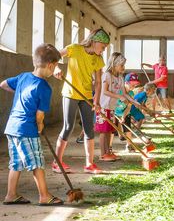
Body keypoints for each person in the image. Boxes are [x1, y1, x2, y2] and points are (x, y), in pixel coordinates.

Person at [0, 43, 64, 206]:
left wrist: (21, 93)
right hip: (26, 129)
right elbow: (39, 116)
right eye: (55, 66)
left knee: (16, 162)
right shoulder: (44, 87)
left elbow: (3, 84)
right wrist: (40, 126)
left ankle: (11, 195)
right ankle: (44, 196)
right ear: (51, 65)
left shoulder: (23, 77)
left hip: (12, 127)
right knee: (37, 162)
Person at [53, 28, 110, 174]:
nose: (103, 51)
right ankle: (57, 162)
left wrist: (96, 102)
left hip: (86, 96)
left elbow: (97, 83)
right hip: (70, 93)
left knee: (89, 128)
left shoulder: (98, 59)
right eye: (103, 47)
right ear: (95, 42)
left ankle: (89, 164)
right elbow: (55, 56)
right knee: (68, 127)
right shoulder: (74, 49)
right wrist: (56, 68)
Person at [95, 52, 134, 161]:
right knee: (103, 131)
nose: (123, 67)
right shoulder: (107, 75)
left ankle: (108, 152)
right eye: (121, 65)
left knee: (109, 130)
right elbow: (105, 91)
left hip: (111, 107)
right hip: (103, 107)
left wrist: (134, 102)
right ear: (114, 64)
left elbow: (125, 94)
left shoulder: (120, 78)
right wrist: (119, 96)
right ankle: (103, 154)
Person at [114, 73, 141, 152]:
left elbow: (128, 106)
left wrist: (123, 116)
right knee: (113, 131)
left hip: (125, 113)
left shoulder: (131, 93)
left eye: (135, 85)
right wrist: (115, 114)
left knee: (128, 129)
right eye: (132, 85)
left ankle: (129, 146)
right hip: (114, 113)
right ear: (126, 83)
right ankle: (109, 147)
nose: (133, 87)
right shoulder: (118, 91)